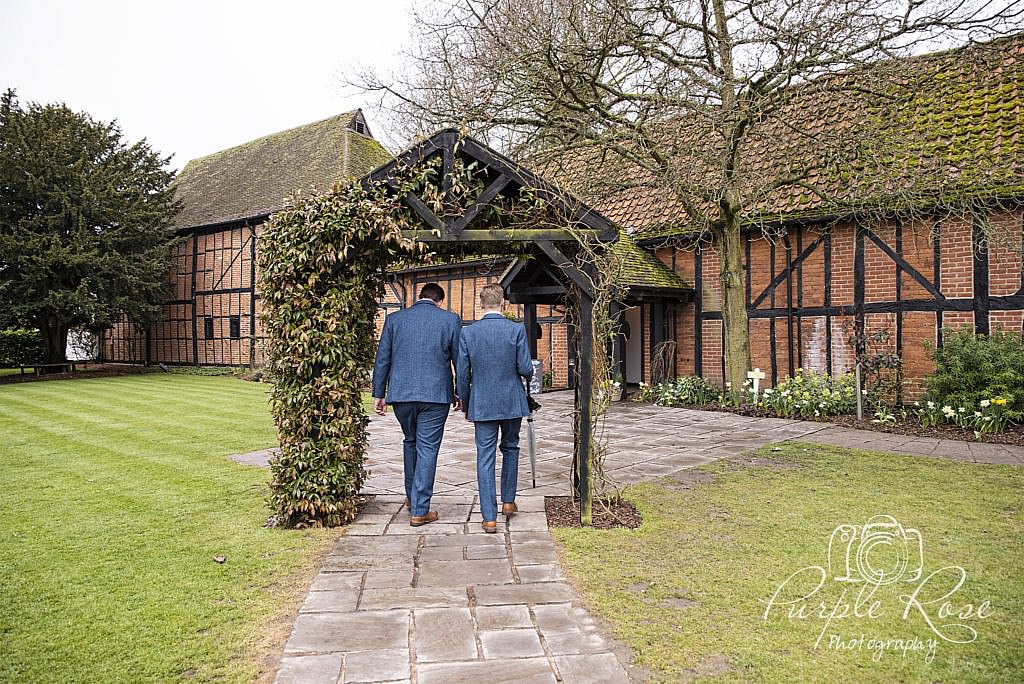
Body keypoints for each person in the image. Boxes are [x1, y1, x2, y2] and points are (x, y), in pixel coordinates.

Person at [372, 283, 461, 526]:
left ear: (419, 297)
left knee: (411, 441)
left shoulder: (395, 319)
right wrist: (461, 392)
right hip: (435, 395)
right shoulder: (449, 320)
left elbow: (383, 358)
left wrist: (379, 393)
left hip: (401, 395)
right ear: (440, 301)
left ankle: (412, 498)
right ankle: (420, 509)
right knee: (428, 448)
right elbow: (459, 360)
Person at [456, 284, 534, 533]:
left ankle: (489, 517)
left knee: (485, 457)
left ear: (481, 304)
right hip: (511, 400)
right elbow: (525, 368)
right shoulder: (516, 329)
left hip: (482, 402)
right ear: (503, 303)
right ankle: (508, 501)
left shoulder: (469, 333)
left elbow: (462, 374)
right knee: (511, 448)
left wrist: (466, 402)